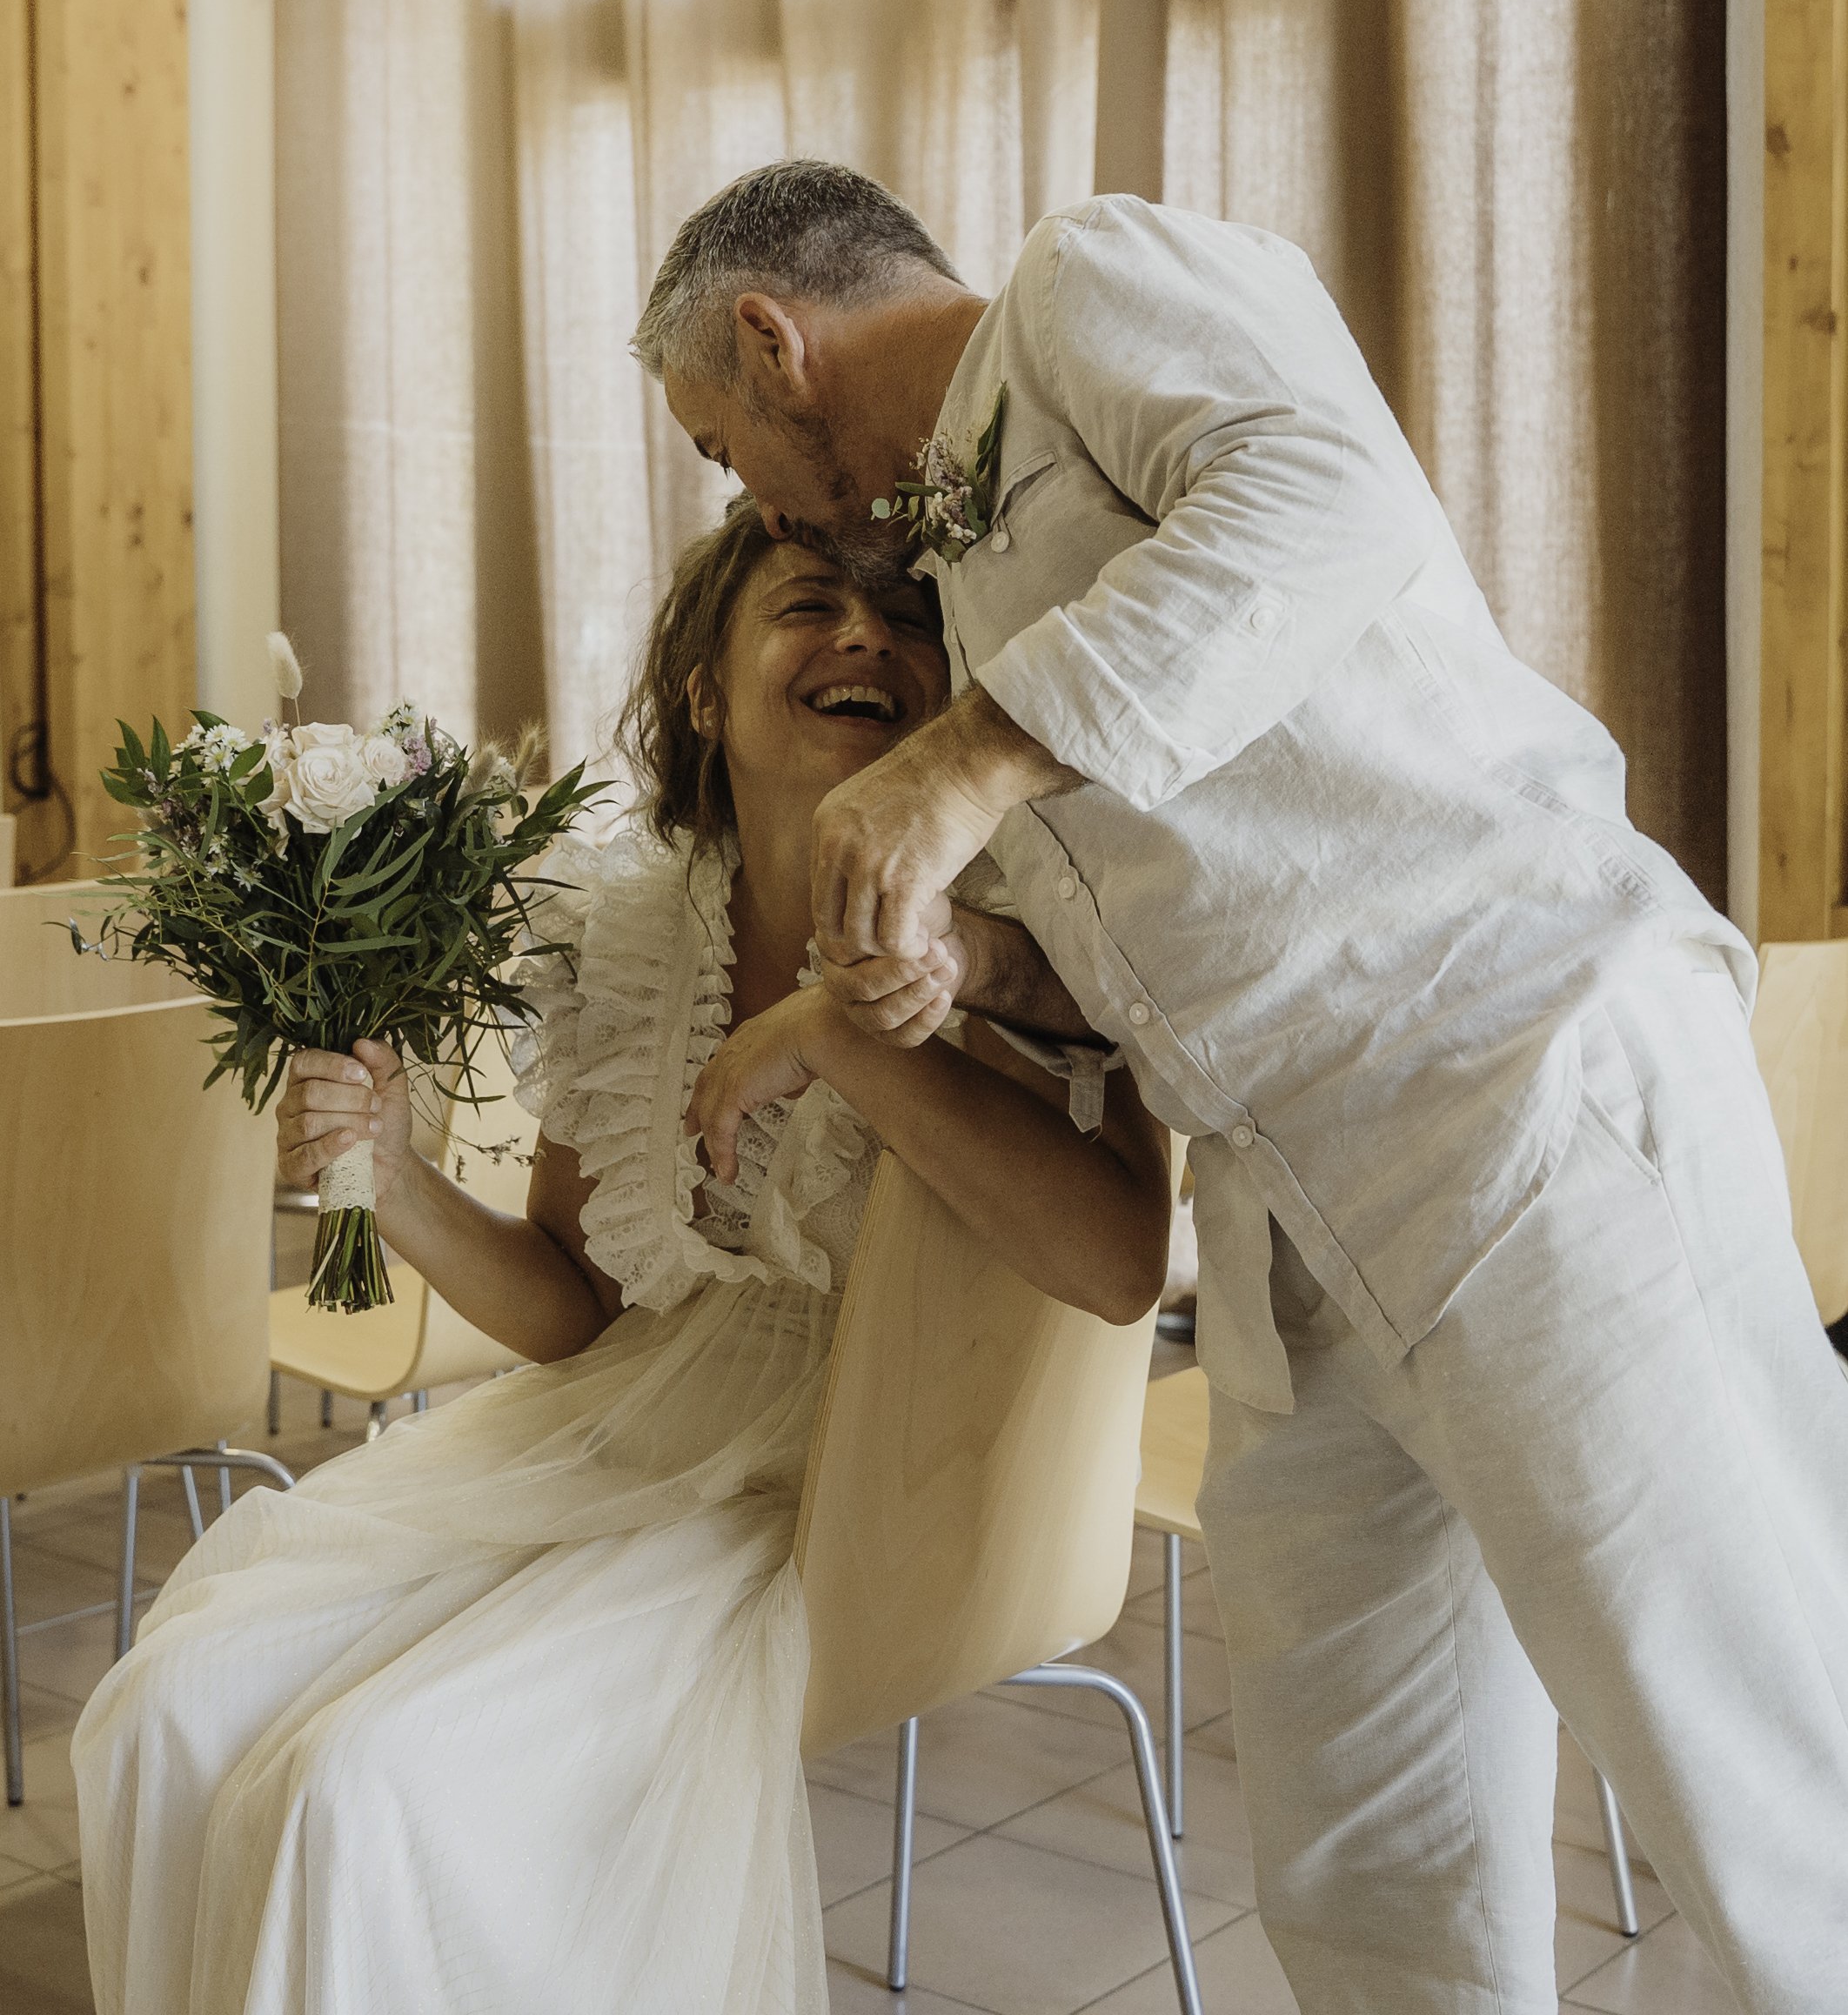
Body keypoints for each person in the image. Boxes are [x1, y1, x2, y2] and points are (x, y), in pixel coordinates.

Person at [641, 157, 1848, 2015]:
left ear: (770, 341)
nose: (747, 496)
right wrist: (964, 965)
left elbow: (1326, 498)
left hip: (1516, 1095)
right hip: (1294, 1227)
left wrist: (965, 766)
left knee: (1756, 1763)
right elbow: (1158, 930)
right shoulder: (962, 584)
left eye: (725, 449)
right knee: (1371, 1851)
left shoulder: (1086, 288)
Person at [71, 504, 1170, 2015]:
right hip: (627, 1427)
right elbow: (577, 1308)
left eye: (906, 618)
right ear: (705, 691)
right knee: (166, 1709)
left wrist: (846, 1043)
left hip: (877, 1488)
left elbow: (1121, 1265)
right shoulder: (631, 930)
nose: (864, 635)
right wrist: (390, 1180)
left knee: (365, 1786)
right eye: (808, 607)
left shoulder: (1007, 927)